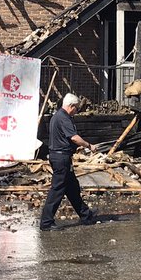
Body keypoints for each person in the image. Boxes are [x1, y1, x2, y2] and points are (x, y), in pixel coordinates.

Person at [39, 94, 99, 230]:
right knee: (57, 190)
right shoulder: (64, 118)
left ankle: (86, 215)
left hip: (60, 157)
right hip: (61, 158)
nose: (76, 112)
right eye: (76, 109)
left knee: (72, 188)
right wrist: (89, 146)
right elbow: (74, 138)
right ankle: (46, 223)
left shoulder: (56, 116)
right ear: (71, 106)